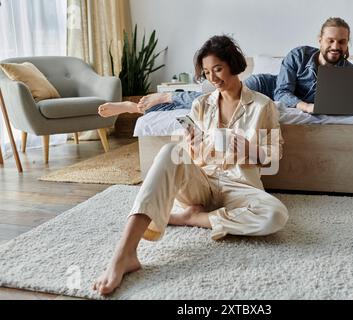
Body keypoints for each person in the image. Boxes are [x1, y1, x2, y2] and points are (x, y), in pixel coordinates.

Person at [93, 35, 288, 296]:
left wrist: (253, 151)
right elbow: (192, 157)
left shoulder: (263, 105)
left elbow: (274, 156)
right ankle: (124, 254)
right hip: (202, 181)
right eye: (207, 72)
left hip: (240, 186)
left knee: (276, 215)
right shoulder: (201, 104)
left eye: (217, 69)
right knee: (170, 150)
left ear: (233, 64)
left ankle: (194, 217)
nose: (213, 78)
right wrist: (192, 146)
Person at [98, 17, 353, 118]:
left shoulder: (348, 71)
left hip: (274, 98)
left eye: (341, 41)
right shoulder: (298, 55)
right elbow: (284, 94)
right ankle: (166, 96)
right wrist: (308, 106)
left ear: (346, 44)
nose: (335, 46)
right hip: (265, 87)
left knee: (210, 103)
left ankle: (138, 108)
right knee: (210, 101)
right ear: (320, 40)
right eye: (330, 40)